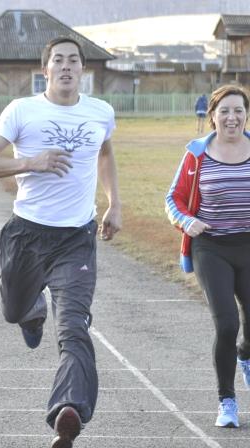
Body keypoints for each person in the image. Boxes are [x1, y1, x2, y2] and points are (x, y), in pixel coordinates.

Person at [0, 36, 122, 447]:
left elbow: (105, 152)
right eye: (59, 60)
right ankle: (32, 311)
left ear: (82, 69)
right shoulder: (23, 110)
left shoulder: (100, 112)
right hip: (27, 234)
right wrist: (30, 163)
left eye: (74, 60)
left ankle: (68, 414)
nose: (67, 66)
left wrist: (114, 203)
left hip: (77, 238)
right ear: (46, 69)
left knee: (74, 328)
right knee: (13, 309)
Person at [165, 84, 250, 429]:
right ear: (212, 116)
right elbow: (173, 198)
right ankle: (226, 401)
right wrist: (187, 221)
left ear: (246, 115)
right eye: (225, 111)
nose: (232, 118)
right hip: (210, 246)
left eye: (239, 111)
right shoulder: (197, 154)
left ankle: (246, 355)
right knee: (227, 323)